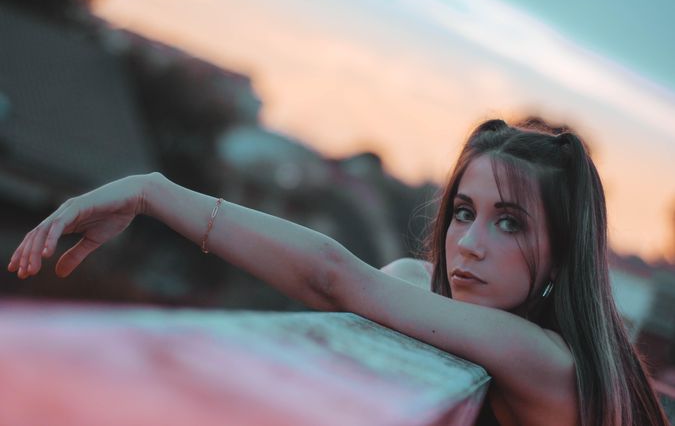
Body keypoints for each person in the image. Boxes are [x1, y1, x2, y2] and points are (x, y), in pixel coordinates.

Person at [7, 118, 669, 426]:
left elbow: (333, 276)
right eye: (463, 212)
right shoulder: (521, 332)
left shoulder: (546, 360)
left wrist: (155, 192)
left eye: (509, 223)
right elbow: (399, 277)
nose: (466, 244)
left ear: (559, 257)